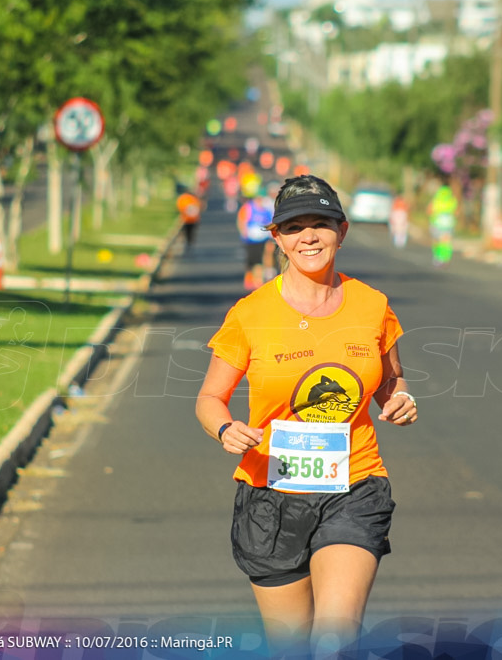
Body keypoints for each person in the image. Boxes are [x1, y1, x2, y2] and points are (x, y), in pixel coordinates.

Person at [196, 174, 418, 656]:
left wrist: (401, 399)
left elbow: (390, 381)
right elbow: (210, 397)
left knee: (335, 639)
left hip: (353, 487)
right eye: (295, 227)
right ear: (276, 237)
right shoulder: (249, 314)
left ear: (342, 230)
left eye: (321, 224)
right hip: (270, 497)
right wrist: (225, 428)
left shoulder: (373, 306)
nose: (309, 237)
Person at [236, 183, 275, 289]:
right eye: (258, 198)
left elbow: (270, 223)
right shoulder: (248, 208)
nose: (260, 200)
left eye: (261, 198)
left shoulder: (266, 209)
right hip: (250, 239)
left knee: (260, 259)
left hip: (263, 238)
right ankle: (249, 277)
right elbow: (241, 220)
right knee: (250, 260)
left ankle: (259, 280)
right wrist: (244, 233)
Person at [428, 179, 457, 266]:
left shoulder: (436, 200)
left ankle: (438, 256)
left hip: (437, 224)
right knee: (446, 241)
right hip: (449, 224)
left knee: (437, 241)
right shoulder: (452, 200)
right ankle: (446, 257)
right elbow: (456, 212)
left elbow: (429, 210)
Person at [175, 185, 202, 251]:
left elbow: (179, 207)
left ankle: (188, 241)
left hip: (186, 219)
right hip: (193, 219)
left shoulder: (183, 198)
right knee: (190, 231)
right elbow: (198, 207)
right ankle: (190, 241)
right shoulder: (193, 198)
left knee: (186, 231)